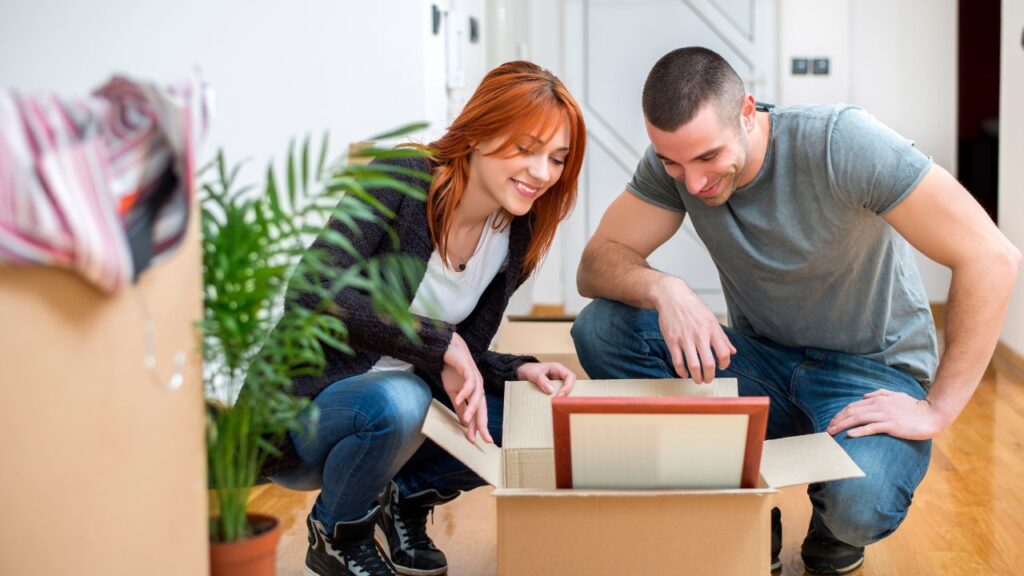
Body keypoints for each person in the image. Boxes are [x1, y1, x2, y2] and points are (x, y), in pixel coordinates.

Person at [571, 46, 1020, 575]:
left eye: (708, 158)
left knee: (862, 506)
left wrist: (937, 409)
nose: (692, 183)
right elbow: (596, 265)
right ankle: (739, 507)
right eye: (674, 162)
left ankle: (832, 527)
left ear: (747, 113)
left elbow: (991, 257)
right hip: (760, 362)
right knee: (602, 329)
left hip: (869, 378)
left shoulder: (840, 142)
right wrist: (666, 287)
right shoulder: (673, 168)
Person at [264, 61, 586, 576]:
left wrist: (516, 370)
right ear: (479, 132)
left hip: (407, 415)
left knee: (535, 414)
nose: (542, 172)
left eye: (556, 158)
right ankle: (337, 532)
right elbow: (309, 292)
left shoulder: (514, 238)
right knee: (401, 396)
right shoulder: (401, 178)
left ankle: (405, 498)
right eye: (525, 149)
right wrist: (444, 344)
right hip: (313, 412)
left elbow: (457, 357)